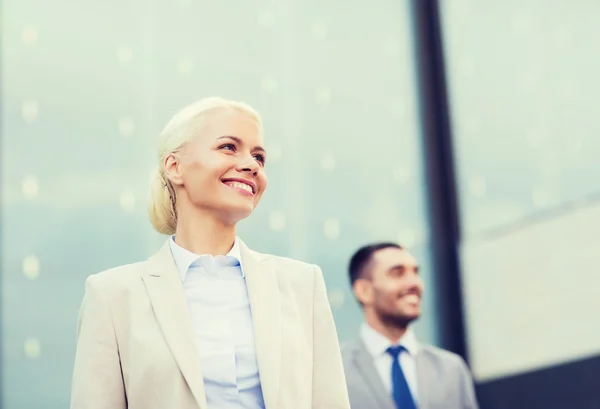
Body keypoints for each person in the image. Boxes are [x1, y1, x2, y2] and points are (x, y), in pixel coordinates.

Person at [70, 97, 350, 409]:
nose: (251, 165)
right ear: (175, 167)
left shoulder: (303, 285)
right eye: (229, 147)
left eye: (259, 157)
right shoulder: (112, 296)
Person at [341, 242, 479, 409]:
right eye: (397, 273)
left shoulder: (451, 369)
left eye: (415, 273)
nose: (414, 283)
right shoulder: (336, 371)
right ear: (364, 291)